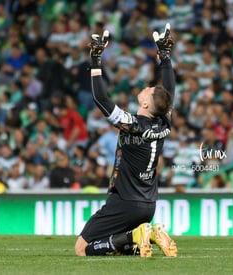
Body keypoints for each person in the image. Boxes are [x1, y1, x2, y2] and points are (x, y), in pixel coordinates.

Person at [74, 24, 177, 258]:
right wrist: (166, 59)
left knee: (82, 249)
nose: (148, 87)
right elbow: (169, 94)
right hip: (149, 204)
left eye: (150, 89)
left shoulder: (133, 125)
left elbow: (101, 99)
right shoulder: (164, 123)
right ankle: (149, 235)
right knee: (117, 249)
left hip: (125, 202)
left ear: (146, 104)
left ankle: (135, 236)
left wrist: (95, 59)